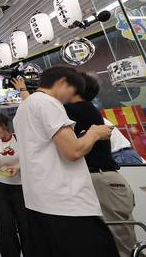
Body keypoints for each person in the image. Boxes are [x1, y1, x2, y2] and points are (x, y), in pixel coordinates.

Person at [12, 66, 117, 257]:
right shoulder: (48, 103)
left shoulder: (23, 109)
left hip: (38, 202)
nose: (71, 98)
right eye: (72, 91)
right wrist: (94, 133)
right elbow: (73, 150)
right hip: (67, 203)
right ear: (61, 82)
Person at [65, 72, 137, 257]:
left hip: (103, 180)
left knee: (122, 244)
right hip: (103, 179)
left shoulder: (77, 110)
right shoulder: (83, 110)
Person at [0, 113, 31, 257]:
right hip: (0, 184)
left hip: (19, 185)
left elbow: (28, 159)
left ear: (5, 125)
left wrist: (17, 168)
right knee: (5, 224)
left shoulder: (18, 139)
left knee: (25, 223)